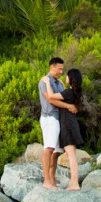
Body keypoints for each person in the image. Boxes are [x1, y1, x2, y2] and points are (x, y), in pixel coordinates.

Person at [38, 57, 76, 189]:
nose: (61, 71)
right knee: (48, 149)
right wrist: (68, 106)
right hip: (49, 118)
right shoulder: (44, 81)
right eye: (59, 68)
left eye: (62, 69)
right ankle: (46, 181)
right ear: (51, 67)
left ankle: (52, 179)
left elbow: (63, 96)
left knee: (56, 152)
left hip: (58, 119)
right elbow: (51, 100)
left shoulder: (59, 83)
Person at [58, 68, 85, 190]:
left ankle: (74, 184)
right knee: (72, 155)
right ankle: (74, 183)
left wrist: (47, 84)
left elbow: (51, 98)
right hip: (71, 124)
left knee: (71, 156)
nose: (65, 77)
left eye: (67, 76)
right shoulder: (74, 93)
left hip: (67, 125)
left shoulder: (68, 93)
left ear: (71, 78)